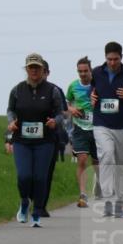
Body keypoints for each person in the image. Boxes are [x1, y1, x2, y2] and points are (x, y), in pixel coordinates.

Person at [7, 52, 63, 227]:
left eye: (37, 67)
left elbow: (61, 114)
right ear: (26, 69)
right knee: (24, 176)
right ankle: (25, 202)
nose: (34, 71)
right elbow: (10, 110)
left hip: (45, 141)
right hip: (22, 140)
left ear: (42, 69)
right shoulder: (17, 90)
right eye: (31, 67)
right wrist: (11, 122)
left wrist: (56, 121)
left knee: (40, 177)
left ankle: (37, 211)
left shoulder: (52, 90)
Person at [89, 41, 123, 218]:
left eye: (116, 59)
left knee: (121, 164)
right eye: (109, 59)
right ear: (105, 58)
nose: (112, 62)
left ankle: (119, 201)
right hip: (102, 124)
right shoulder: (97, 72)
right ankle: (107, 200)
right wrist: (92, 97)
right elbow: (92, 91)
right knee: (106, 156)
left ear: (122, 57)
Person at [66, 56, 102, 208]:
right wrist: (72, 109)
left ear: (90, 70)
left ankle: (99, 184)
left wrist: (97, 103)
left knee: (96, 162)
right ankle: (83, 194)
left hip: (98, 128)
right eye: (80, 71)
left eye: (85, 71)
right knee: (81, 160)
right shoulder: (73, 86)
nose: (82, 74)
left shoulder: (98, 84)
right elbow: (66, 102)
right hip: (80, 128)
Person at [37, 60, 67, 218]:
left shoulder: (56, 90)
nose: (38, 74)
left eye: (42, 70)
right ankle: (30, 200)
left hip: (50, 138)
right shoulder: (22, 90)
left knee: (46, 172)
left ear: (47, 72)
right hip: (28, 139)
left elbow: (63, 113)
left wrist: (55, 122)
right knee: (30, 173)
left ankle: (41, 205)